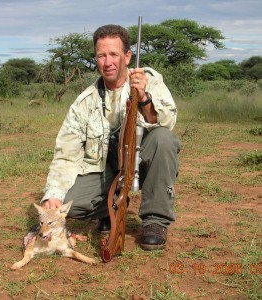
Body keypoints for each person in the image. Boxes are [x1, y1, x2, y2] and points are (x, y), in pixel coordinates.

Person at [41, 24, 181, 250]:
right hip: (105, 169)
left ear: (127, 57)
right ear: (96, 59)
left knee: (164, 139)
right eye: (101, 56)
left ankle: (155, 220)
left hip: (141, 162)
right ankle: (109, 209)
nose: (108, 62)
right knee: (69, 206)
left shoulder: (150, 80)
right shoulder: (84, 102)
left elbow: (167, 122)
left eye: (114, 54)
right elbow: (66, 154)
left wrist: (144, 98)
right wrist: (53, 196)